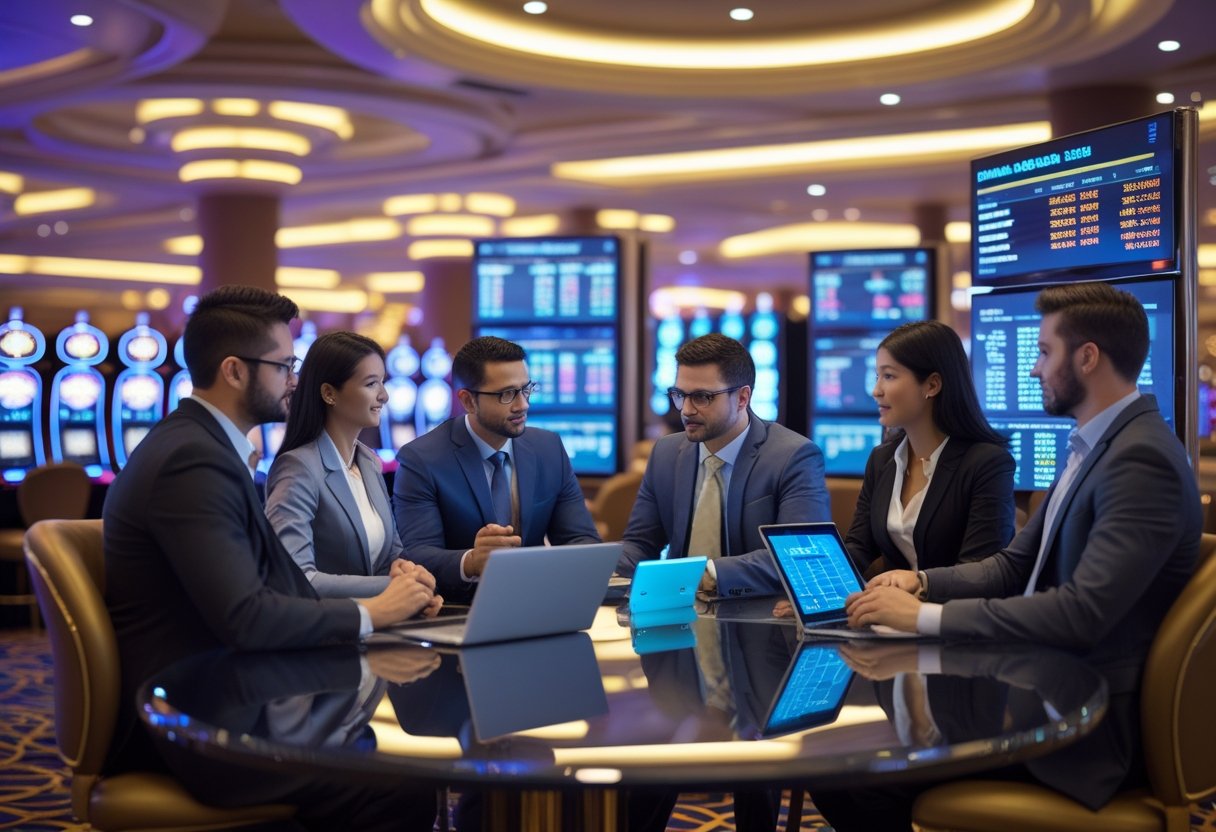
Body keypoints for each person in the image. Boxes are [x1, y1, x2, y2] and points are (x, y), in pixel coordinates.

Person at [822, 281, 1202, 830]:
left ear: (1087, 358)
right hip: (1044, 692)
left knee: (849, 773)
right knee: (855, 761)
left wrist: (924, 618)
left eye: (1044, 352)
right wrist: (921, 584)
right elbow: (1012, 565)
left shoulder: (1141, 460)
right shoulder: (1098, 446)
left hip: (1086, 729)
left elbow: (1081, 613)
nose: (1033, 369)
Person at [103, 286, 439, 830]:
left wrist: (394, 590)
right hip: (197, 724)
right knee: (401, 779)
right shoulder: (192, 461)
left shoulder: (205, 448)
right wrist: (374, 611)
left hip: (231, 691)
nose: (293, 381)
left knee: (376, 743)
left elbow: (270, 586)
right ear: (235, 371)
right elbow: (246, 616)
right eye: (284, 366)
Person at [617, 333, 830, 597]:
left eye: (702, 397)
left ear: (742, 398)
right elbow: (640, 544)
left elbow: (799, 555)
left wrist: (706, 575)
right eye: (679, 395)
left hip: (757, 614)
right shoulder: (665, 452)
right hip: (675, 611)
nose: (686, 410)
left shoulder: (793, 457)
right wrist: (599, 567)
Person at [393, 335, 600, 602]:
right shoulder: (421, 459)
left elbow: (581, 540)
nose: (523, 404)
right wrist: (471, 561)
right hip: (460, 609)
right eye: (507, 394)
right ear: (468, 401)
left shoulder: (548, 448)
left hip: (539, 602)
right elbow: (417, 556)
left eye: (526, 389)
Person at [266, 331, 439, 603]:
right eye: (371, 384)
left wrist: (413, 579)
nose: (384, 396)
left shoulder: (369, 461)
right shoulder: (298, 468)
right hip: (329, 625)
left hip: (383, 620)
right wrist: (396, 589)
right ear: (329, 393)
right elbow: (296, 579)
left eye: (383, 382)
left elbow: (392, 555)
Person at [844, 320, 1015, 576]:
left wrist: (917, 586)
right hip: (888, 601)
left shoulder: (987, 464)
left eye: (889, 376)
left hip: (950, 603)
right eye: (877, 376)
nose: (876, 391)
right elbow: (859, 547)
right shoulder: (882, 459)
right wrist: (816, 586)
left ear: (932, 385)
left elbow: (979, 571)